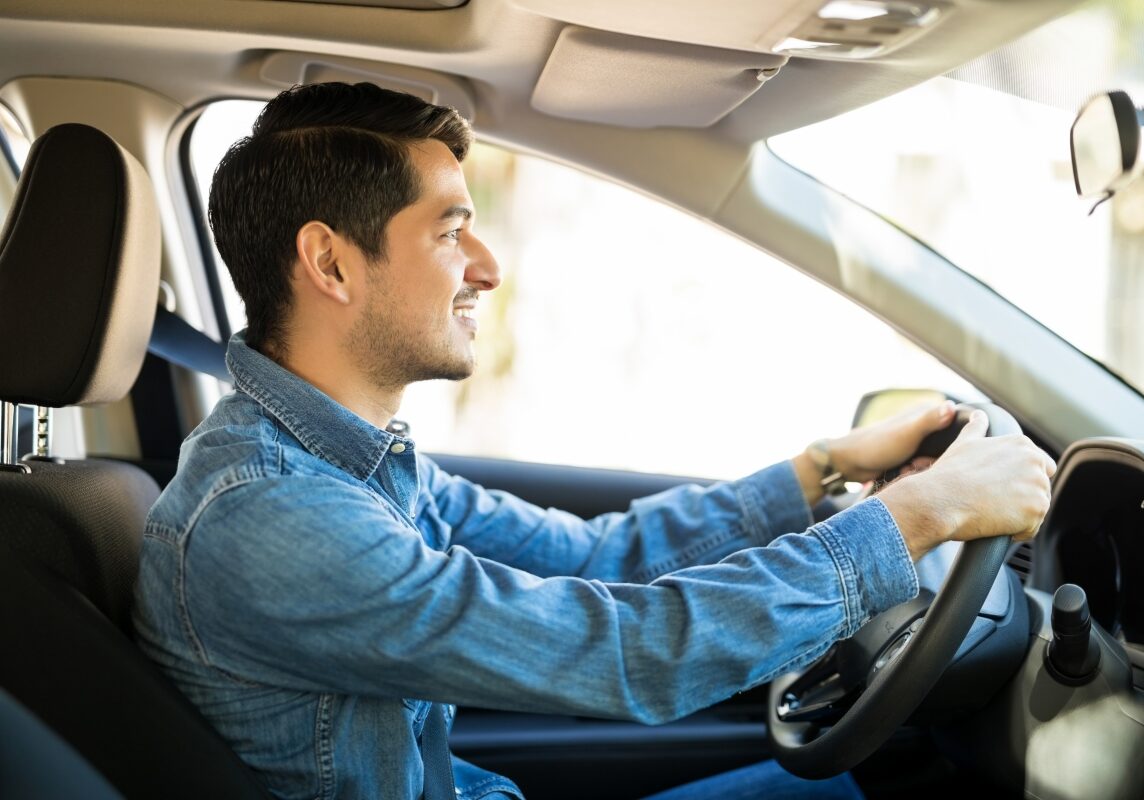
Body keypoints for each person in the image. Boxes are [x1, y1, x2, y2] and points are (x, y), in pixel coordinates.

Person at [133, 82, 1056, 800]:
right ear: (331, 263)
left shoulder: (347, 461)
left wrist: (822, 469)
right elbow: (623, 653)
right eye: (452, 231)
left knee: (890, 775)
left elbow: (597, 555)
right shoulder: (271, 514)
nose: (487, 268)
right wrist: (918, 516)